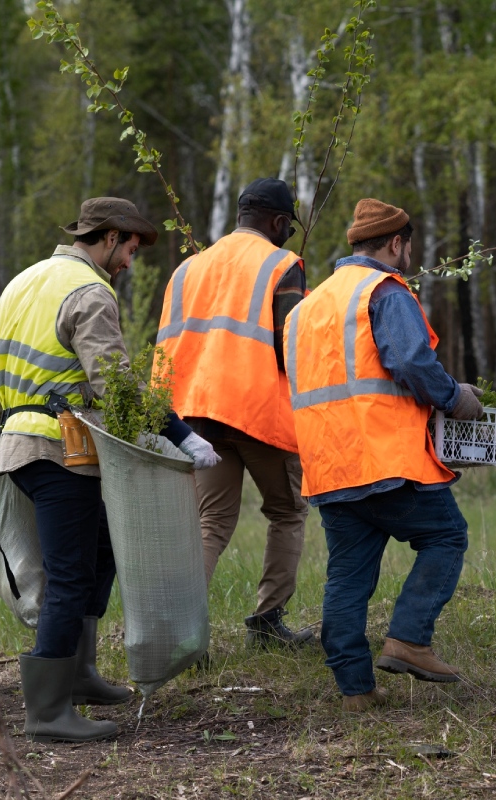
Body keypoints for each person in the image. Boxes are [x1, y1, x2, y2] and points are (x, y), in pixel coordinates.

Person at [0, 197, 219, 743]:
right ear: (110, 236)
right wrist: (181, 434)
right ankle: (47, 712)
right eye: (131, 248)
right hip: (59, 451)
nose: (130, 262)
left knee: (99, 554)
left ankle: (80, 674)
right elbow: (112, 382)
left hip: (20, 447)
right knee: (70, 576)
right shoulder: (90, 292)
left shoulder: (22, 282)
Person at [283, 198, 484, 711]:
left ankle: (356, 691)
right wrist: (455, 398)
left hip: (327, 466)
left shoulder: (305, 308)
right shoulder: (384, 291)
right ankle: (410, 639)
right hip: (384, 460)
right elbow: (411, 361)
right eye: (408, 245)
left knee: (348, 575)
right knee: (446, 535)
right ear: (396, 243)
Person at [156, 178, 312, 648]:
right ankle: (267, 624)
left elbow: (168, 346)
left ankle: (181, 632)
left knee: (212, 522)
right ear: (279, 222)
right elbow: (291, 348)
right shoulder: (282, 265)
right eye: (287, 227)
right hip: (259, 411)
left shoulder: (189, 268)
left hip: (196, 417)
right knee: (287, 512)